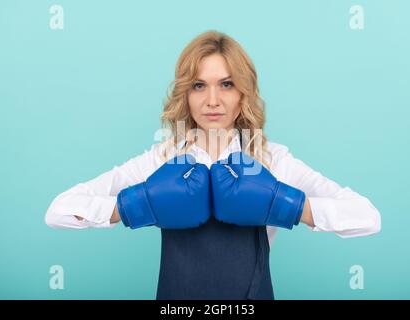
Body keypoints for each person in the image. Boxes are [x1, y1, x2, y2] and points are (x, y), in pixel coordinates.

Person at [44, 30, 381, 300]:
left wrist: (291, 206)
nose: (213, 101)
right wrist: (132, 206)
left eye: (227, 84)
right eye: (198, 86)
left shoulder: (270, 160)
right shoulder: (163, 159)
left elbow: (368, 217)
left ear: (243, 93)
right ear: (185, 95)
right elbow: (58, 211)